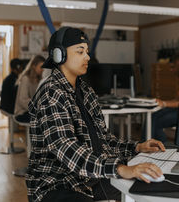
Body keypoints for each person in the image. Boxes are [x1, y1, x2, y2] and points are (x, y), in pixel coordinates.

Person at [26, 27, 165, 202]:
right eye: (80, 51)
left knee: (146, 192)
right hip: (56, 184)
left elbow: (103, 141)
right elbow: (66, 147)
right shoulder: (51, 93)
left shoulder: (86, 91)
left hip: (88, 178)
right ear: (58, 55)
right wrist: (120, 169)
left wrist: (137, 148)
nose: (87, 57)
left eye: (87, 51)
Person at [150, 53, 179, 143]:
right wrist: (162, 102)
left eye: (173, 67)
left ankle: (162, 146)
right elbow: (177, 99)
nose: (171, 70)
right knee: (153, 115)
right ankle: (147, 142)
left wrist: (164, 104)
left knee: (156, 122)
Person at [14, 55, 45, 123]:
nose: (43, 69)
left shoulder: (38, 80)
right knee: (45, 119)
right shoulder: (26, 79)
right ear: (34, 66)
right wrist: (38, 107)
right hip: (22, 113)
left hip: (31, 111)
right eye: (41, 67)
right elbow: (23, 100)